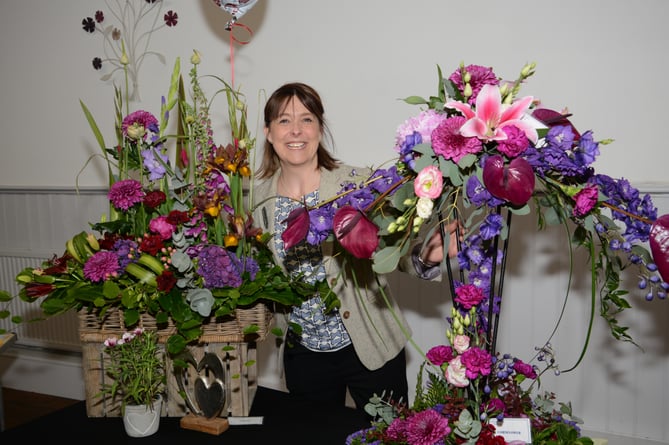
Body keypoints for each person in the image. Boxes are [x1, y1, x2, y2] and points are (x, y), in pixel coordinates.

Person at [252, 82, 455, 412]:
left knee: (390, 435)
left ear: (320, 127)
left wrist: (423, 255)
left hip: (370, 344)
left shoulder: (357, 184)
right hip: (304, 356)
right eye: (284, 121)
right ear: (269, 132)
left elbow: (392, 245)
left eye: (306, 119)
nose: (296, 131)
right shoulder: (256, 201)